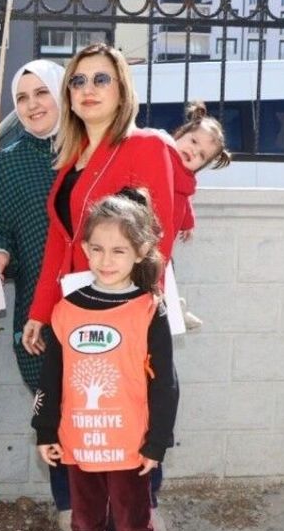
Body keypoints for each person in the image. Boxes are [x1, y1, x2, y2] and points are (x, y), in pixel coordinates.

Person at [33, 189, 178, 531]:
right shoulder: (67, 309)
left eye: (118, 251)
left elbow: (165, 384)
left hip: (129, 447)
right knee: (85, 527)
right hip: (80, 443)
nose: (105, 260)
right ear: (84, 247)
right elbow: (51, 378)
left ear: (140, 251)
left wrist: (157, 443)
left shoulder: (148, 309)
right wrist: (45, 430)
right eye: (97, 249)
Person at [21, 42, 179, 356]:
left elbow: (159, 240)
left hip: (120, 310)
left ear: (122, 91)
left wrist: (137, 313)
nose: (87, 89)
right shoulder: (71, 158)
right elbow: (59, 241)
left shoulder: (146, 146)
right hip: (73, 306)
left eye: (101, 79)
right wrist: (40, 311)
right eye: (78, 81)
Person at [0, 59, 73, 531]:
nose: (33, 105)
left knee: (106, 399)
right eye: (22, 97)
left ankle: (129, 506)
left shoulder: (91, 150)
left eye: (42, 93)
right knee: (51, 404)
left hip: (99, 306)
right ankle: (70, 508)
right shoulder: (9, 162)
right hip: (39, 308)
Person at [162, 99, 231, 331]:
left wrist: (188, 224)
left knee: (165, 272)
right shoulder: (160, 155)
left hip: (164, 244)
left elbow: (185, 201)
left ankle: (173, 307)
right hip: (144, 236)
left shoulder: (187, 180)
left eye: (201, 155)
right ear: (179, 134)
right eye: (193, 141)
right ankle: (173, 307)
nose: (193, 151)